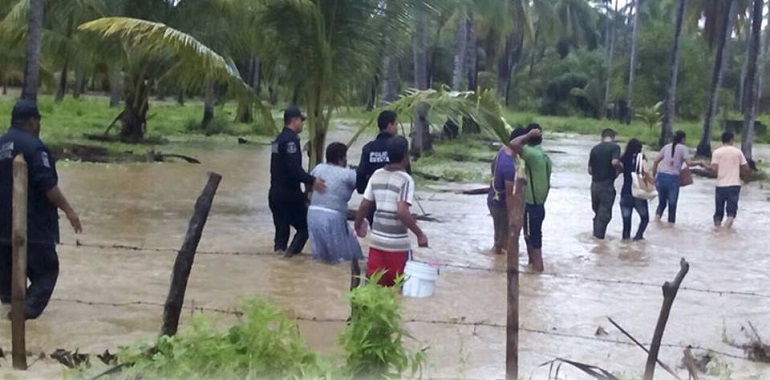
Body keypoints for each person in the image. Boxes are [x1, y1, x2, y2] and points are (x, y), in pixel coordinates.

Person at [0, 100, 82, 320]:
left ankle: (10, 332)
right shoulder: (34, 147)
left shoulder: (1, 144)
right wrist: (69, 211)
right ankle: (21, 316)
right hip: (32, 228)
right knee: (47, 271)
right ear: (33, 122)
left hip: (2, 231)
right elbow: (48, 186)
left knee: (8, 290)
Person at [354, 136, 428, 287]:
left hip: (376, 243)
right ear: (405, 157)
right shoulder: (406, 180)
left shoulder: (376, 175)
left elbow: (364, 205)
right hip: (397, 246)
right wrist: (420, 234)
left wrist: (357, 224)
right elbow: (401, 210)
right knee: (396, 292)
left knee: (373, 290)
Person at [269, 106, 326, 258]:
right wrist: (313, 181)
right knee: (306, 226)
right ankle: (290, 258)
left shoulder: (277, 139)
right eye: (301, 120)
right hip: (288, 194)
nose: (302, 124)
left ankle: (280, 265)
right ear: (294, 121)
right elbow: (293, 169)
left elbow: (275, 167)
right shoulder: (291, 140)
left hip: (274, 193)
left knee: (281, 234)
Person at [307, 143, 364, 264]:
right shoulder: (348, 174)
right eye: (345, 157)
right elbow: (363, 186)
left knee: (321, 258)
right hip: (332, 217)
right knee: (343, 260)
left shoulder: (318, 168)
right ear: (341, 158)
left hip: (312, 215)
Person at [510, 124, 551, 272]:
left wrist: (526, 136)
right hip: (540, 205)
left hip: (531, 205)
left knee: (532, 240)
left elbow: (512, 144)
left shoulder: (531, 155)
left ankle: (538, 270)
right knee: (534, 238)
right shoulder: (545, 157)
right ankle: (532, 269)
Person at [356, 110, 399, 226]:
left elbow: (361, 173)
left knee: (376, 234)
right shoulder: (398, 147)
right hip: (394, 201)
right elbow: (406, 172)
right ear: (390, 125)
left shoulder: (368, 148)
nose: (397, 128)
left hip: (373, 200)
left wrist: (363, 190)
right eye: (396, 124)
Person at [488, 127, 526, 255]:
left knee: (500, 240)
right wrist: (513, 216)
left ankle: (498, 261)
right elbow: (509, 195)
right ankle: (497, 265)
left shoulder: (501, 152)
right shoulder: (509, 166)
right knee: (500, 244)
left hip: (492, 198)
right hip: (500, 205)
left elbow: (492, 167)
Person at [651, 130, 703, 224]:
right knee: (672, 205)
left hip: (661, 177)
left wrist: (654, 177)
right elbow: (689, 163)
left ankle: (656, 222)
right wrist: (699, 162)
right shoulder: (683, 148)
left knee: (662, 203)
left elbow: (655, 162)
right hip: (673, 179)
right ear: (683, 139)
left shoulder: (666, 147)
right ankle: (671, 228)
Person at [708, 132, 750, 229]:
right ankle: (725, 232)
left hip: (720, 186)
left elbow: (713, 170)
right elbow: (746, 168)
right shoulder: (737, 152)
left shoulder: (716, 152)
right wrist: (745, 178)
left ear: (722, 140)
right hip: (734, 185)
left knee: (718, 213)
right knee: (731, 213)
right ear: (731, 140)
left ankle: (717, 230)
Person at [588, 129, 623, 239]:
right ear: (613, 137)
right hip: (607, 185)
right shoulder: (615, 147)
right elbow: (615, 162)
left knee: (597, 214)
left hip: (594, 185)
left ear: (602, 137)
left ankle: (595, 239)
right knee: (604, 216)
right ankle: (599, 242)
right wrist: (620, 169)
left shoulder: (594, 149)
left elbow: (589, 170)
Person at [619, 138, 652, 241]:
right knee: (645, 218)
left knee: (626, 222)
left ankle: (625, 243)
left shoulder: (624, 158)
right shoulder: (642, 157)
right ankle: (638, 237)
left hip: (626, 192)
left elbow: (619, 171)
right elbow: (646, 172)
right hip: (639, 192)